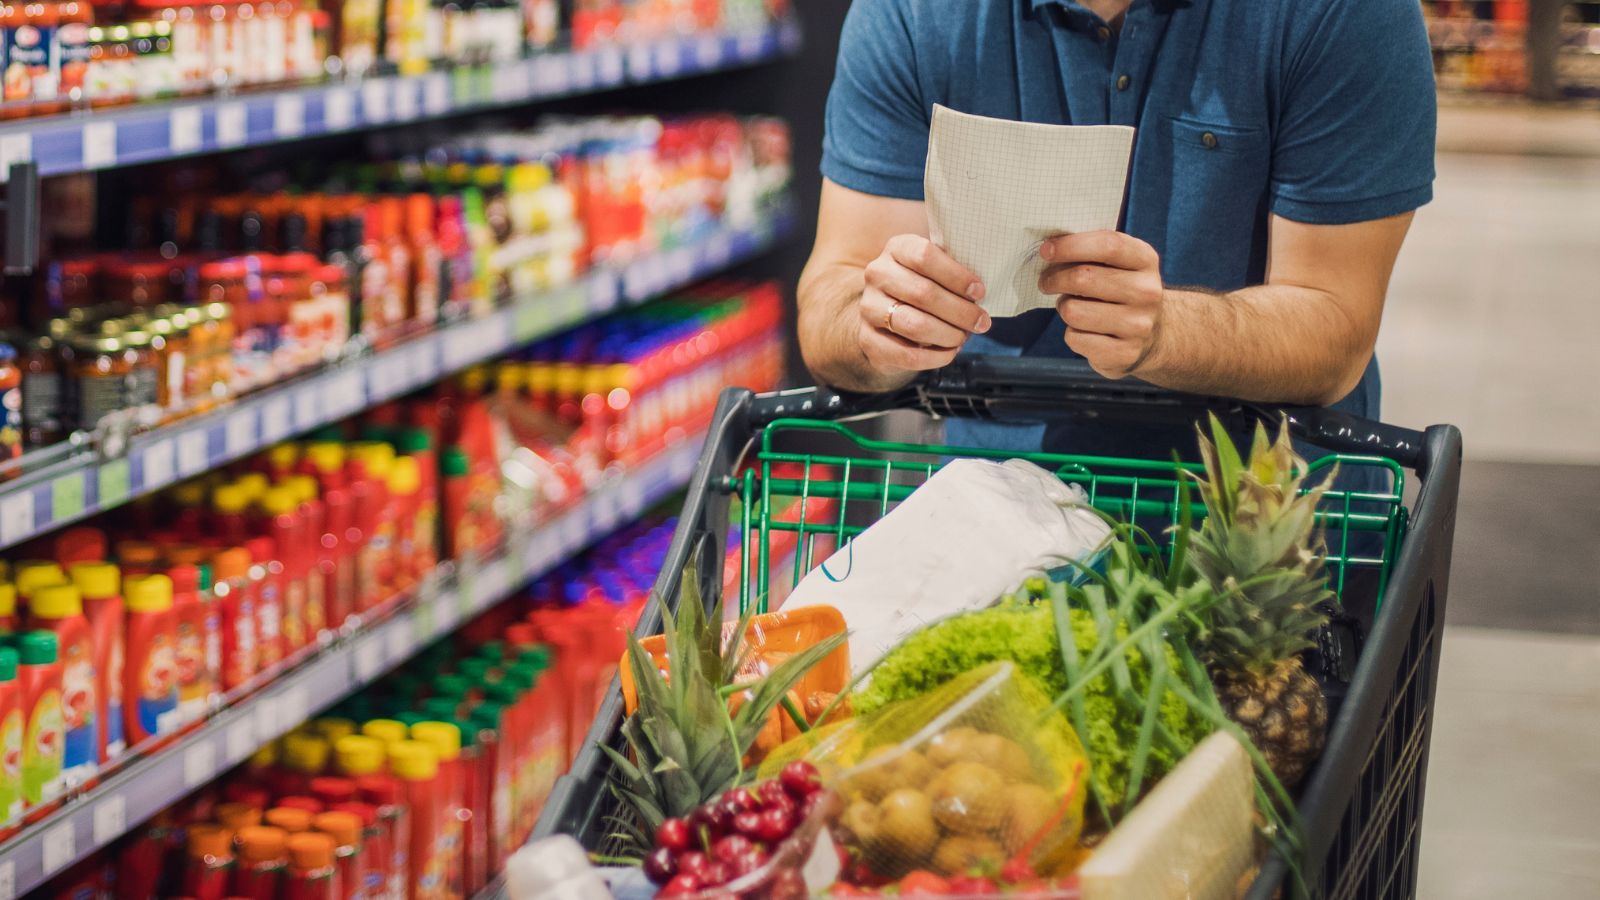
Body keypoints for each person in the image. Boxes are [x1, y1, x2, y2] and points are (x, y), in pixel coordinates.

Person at [797, 0, 1437, 460]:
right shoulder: (912, 14)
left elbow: (1336, 328)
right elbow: (832, 302)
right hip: (995, 519)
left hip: (1260, 535)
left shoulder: (1343, 14)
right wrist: (878, 325)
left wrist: (1163, 331)